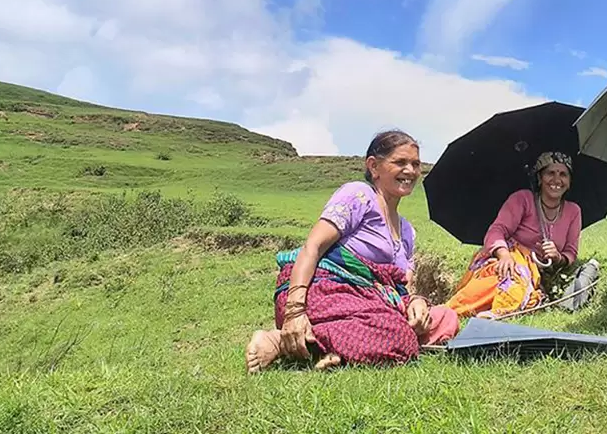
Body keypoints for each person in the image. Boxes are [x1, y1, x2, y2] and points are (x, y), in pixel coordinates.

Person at [245, 130, 460, 373]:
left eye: (415, 164)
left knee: (447, 318)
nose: (410, 171)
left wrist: (417, 304)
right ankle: (279, 341)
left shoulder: (408, 231)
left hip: (373, 304)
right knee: (398, 336)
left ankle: (334, 350)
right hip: (326, 290)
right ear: (374, 166)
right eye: (400, 162)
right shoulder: (358, 196)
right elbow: (312, 247)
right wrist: (295, 311)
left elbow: (402, 289)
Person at [445, 151, 582, 319]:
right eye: (550, 173)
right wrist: (504, 255)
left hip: (537, 272)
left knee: (518, 286)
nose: (556, 180)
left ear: (569, 182)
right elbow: (497, 230)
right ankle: (451, 311)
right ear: (539, 178)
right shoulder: (523, 199)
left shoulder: (573, 211)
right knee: (502, 277)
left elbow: (571, 252)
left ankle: (495, 313)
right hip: (509, 256)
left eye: (563, 174)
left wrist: (557, 257)